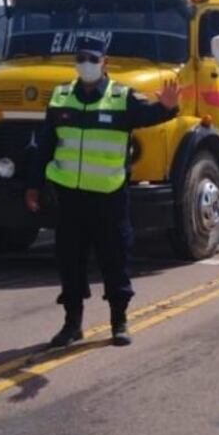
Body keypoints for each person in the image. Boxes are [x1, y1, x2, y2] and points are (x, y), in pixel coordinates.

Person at [25, 35, 179, 348]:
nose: (87, 64)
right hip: (69, 197)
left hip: (109, 198)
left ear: (104, 62)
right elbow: (45, 146)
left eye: (93, 59)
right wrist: (34, 185)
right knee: (69, 261)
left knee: (115, 259)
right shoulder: (61, 97)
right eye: (82, 58)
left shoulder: (122, 98)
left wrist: (167, 108)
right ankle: (72, 324)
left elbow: (152, 115)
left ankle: (119, 322)